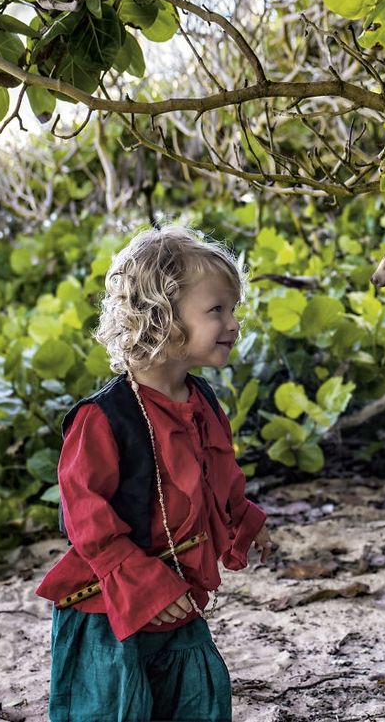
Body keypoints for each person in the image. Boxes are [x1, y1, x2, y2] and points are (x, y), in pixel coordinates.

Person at [36, 224, 272, 722]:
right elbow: (86, 522)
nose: (233, 324)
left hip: (179, 594)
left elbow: (220, 477)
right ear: (160, 316)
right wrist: (142, 585)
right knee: (116, 711)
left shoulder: (202, 399)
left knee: (199, 700)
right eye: (217, 310)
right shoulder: (104, 419)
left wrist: (245, 519)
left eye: (233, 309)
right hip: (108, 608)